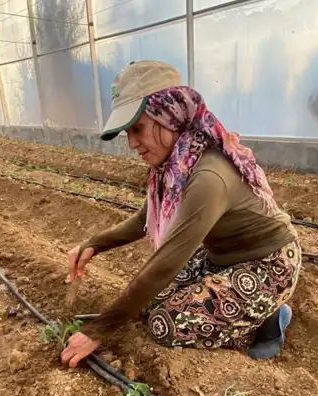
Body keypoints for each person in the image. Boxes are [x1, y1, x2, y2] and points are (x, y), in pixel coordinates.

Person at [60, 60, 301, 367]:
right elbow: (141, 221)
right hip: (222, 260)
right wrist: (92, 245)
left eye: (137, 129)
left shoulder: (207, 176)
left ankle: (264, 320)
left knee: (165, 323)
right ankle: (250, 308)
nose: (132, 143)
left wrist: (99, 328)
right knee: (148, 304)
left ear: (170, 115)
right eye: (127, 133)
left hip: (268, 264)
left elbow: (166, 264)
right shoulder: (175, 167)